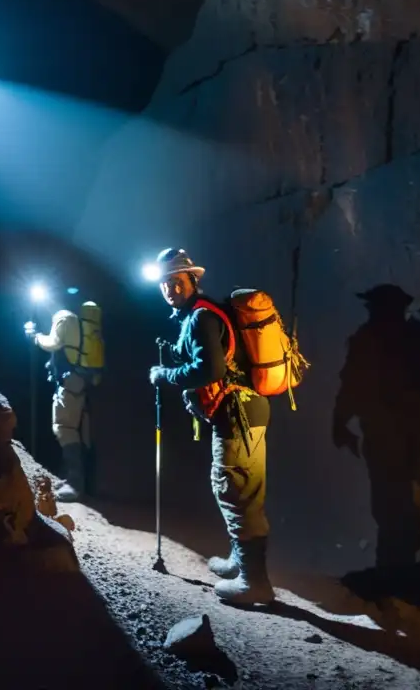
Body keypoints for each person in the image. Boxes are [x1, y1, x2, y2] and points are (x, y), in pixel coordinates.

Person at [148, 248, 274, 605]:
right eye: (164, 284)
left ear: (193, 280)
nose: (170, 289)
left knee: (237, 491)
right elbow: (208, 355)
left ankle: (255, 582)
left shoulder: (202, 317)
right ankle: (240, 560)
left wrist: (165, 375)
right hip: (242, 413)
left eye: (176, 281)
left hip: (239, 415)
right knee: (232, 489)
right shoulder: (198, 316)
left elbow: (211, 371)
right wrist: (175, 354)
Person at [33, 301, 105, 502]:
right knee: (83, 433)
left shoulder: (64, 318)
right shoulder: (84, 324)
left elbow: (52, 343)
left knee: (64, 428)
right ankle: (87, 484)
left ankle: (74, 485)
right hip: (86, 381)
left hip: (71, 382)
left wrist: (35, 336)